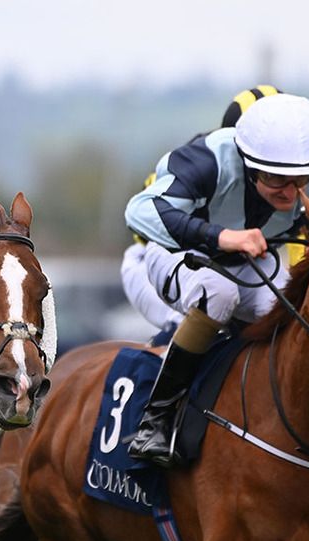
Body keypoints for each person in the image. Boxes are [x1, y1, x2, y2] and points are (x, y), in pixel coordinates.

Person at [123, 93, 309, 467]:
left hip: (247, 261)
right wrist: (221, 236)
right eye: (277, 178)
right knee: (219, 294)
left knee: (284, 312)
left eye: (301, 178)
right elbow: (138, 211)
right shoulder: (206, 160)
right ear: (249, 165)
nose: (292, 191)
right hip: (173, 253)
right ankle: (157, 419)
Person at [121, 85, 283, 346]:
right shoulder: (202, 164)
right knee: (207, 311)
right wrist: (218, 237)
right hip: (154, 260)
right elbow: (145, 229)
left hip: (233, 264)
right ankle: (163, 384)